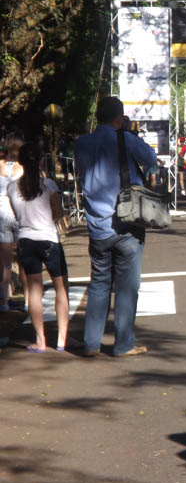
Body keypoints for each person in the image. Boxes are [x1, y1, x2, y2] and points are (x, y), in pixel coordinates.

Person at [75, 97, 157, 357]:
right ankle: (123, 344)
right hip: (126, 224)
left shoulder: (82, 143)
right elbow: (151, 158)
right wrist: (129, 134)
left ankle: (91, 343)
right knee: (126, 288)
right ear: (119, 119)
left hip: (97, 225)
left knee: (99, 283)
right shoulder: (126, 139)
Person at [8, 142, 70, 352]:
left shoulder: (11, 188)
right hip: (49, 239)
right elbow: (59, 212)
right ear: (41, 161)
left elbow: (16, 215)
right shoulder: (48, 185)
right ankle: (61, 339)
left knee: (35, 291)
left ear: (20, 162)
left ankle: (40, 340)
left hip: (25, 240)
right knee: (61, 288)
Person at [0, 132, 24, 312]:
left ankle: (5, 302)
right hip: (19, 214)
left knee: (5, 264)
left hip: (1, 215)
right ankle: (28, 300)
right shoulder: (23, 167)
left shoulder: (0, 165)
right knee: (25, 261)